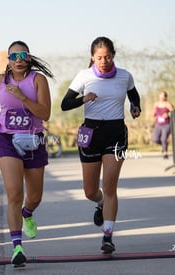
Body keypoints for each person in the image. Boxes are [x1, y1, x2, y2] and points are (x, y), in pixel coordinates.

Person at [61, 36, 141, 254]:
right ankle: (99, 204)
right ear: (92, 57)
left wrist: (135, 107)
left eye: (107, 57)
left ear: (113, 55)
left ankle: (108, 236)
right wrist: (84, 99)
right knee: (89, 191)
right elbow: (65, 104)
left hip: (115, 133)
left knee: (110, 187)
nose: (104, 61)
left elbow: (134, 96)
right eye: (99, 57)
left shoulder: (124, 76)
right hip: (91, 133)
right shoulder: (84, 76)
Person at [0, 40, 54, 267]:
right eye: (14, 57)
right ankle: (17, 247)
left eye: (23, 55)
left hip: (34, 140)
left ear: (29, 58)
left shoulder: (37, 80)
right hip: (7, 139)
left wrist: (22, 97)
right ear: (8, 62)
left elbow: (46, 113)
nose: (19, 60)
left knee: (35, 197)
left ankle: (28, 213)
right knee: (13, 193)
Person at [152, 91, 174, 159]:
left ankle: (165, 153)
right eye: (160, 96)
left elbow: (174, 112)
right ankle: (164, 146)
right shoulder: (156, 104)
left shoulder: (168, 104)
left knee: (164, 138)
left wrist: (168, 114)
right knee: (155, 139)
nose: (161, 98)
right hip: (158, 124)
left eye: (162, 96)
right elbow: (153, 113)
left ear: (165, 97)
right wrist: (153, 117)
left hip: (166, 124)